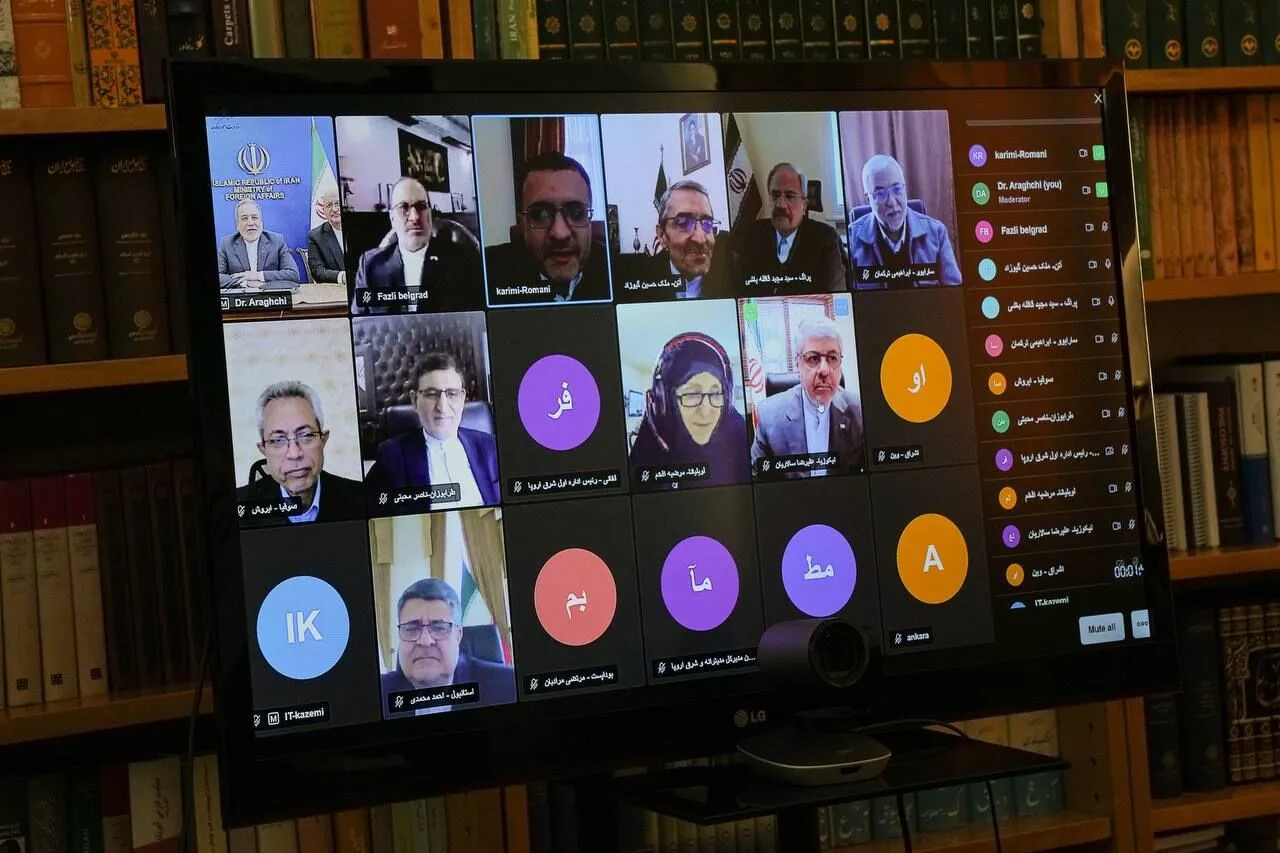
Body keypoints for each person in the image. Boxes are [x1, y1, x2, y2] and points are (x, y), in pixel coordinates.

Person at [366, 353, 500, 509]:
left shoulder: (489, 446)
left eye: (452, 394)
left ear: (462, 398)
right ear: (415, 400)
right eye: (431, 395)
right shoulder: (391, 456)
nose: (442, 407)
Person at [483, 151, 611, 303]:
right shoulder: (485, 274)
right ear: (523, 224)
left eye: (576, 213)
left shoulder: (618, 272)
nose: (560, 233)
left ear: (589, 220)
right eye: (540, 215)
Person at [628, 332, 751, 489]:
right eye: (692, 394)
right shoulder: (647, 455)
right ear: (663, 402)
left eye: (715, 394)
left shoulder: (738, 437)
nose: (706, 411)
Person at [381, 578, 516, 717]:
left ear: (458, 636)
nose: (425, 641)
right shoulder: (377, 693)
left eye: (439, 628)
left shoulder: (508, 686)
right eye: (411, 629)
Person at [236, 381, 364, 524]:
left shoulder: (360, 498)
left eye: (306, 435)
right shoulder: (238, 506)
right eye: (278, 440)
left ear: (323, 440)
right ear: (263, 450)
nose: (295, 454)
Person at [750, 317, 865, 477]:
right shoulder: (769, 416)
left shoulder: (859, 412)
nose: (824, 370)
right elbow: (758, 480)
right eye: (813, 358)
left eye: (832, 358)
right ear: (798, 364)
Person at [351, 176, 483, 313]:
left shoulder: (463, 261)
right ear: (392, 218)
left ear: (430, 214)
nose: (415, 217)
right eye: (403, 207)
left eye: (421, 206)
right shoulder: (370, 266)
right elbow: (359, 322)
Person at [848, 154, 961, 288]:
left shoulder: (937, 233)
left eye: (897, 190)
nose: (892, 202)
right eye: (880, 194)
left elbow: (954, 290)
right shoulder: (852, 238)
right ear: (868, 199)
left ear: (904, 188)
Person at [735, 163, 847, 294]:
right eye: (775, 195)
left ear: (804, 205)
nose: (780, 205)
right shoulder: (751, 236)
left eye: (789, 196)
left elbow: (835, 296)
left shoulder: (826, 239)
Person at [639, 179, 731, 300]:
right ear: (661, 234)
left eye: (707, 223)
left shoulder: (732, 276)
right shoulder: (642, 282)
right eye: (683, 223)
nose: (700, 239)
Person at [217, 199, 300, 291]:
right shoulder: (227, 243)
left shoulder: (276, 241)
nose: (250, 223)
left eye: (254, 217)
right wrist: (245, 283)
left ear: (261, 222)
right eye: (244, 218)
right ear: (237, 225)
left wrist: (258, 276)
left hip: (270, 297)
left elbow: (293, 275)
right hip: (241, 298)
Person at [307, 190, 347, 285]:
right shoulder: (316, 236)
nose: (334, 209)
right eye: (329, 205)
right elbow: (317, 272)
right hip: (336, 289)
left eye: (338, 204)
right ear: (323, 210)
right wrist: (343, 277)